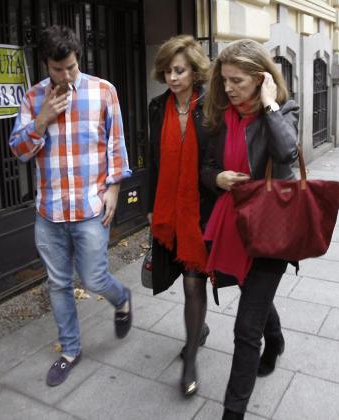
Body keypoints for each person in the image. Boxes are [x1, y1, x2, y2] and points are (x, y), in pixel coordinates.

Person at [9, 25, 132, 387]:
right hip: (49, 212)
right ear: (46, 64)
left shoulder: (103, 91)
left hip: (90, 208)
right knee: (58, 284)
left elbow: (116, 145)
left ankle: (122, 298)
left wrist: (114, 189)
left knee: (93, 278)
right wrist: (42, 119)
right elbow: (19, 150)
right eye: (57, 69)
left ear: (79, 58)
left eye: (71, 68)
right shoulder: (33, 98)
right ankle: (70, 351)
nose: (65, 76)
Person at [201, 39, 299, 419]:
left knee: (245, 329)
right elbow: (205, 167)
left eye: (237, 81)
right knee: (252, 295)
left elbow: (287, 155)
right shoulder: (220, 117)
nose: (228, 88)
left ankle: (233, 412)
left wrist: (270, 105)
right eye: (224, 79)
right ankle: (275, 340)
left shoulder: (284, 110)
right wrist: (217, 178)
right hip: (235, 227)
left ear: (261, 79)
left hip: (271, 230)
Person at [148, 35, 214, 396]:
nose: (172, 78)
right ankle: (198, 330)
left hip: (202, 208)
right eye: (167, 71)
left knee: (194, 281)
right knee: (188, 280)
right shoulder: (158, 107)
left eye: (179, 71)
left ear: (195, 71)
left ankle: (191, 356)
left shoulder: (212, 106)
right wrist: (150, 207)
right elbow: (152, 158)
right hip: (170, 206)